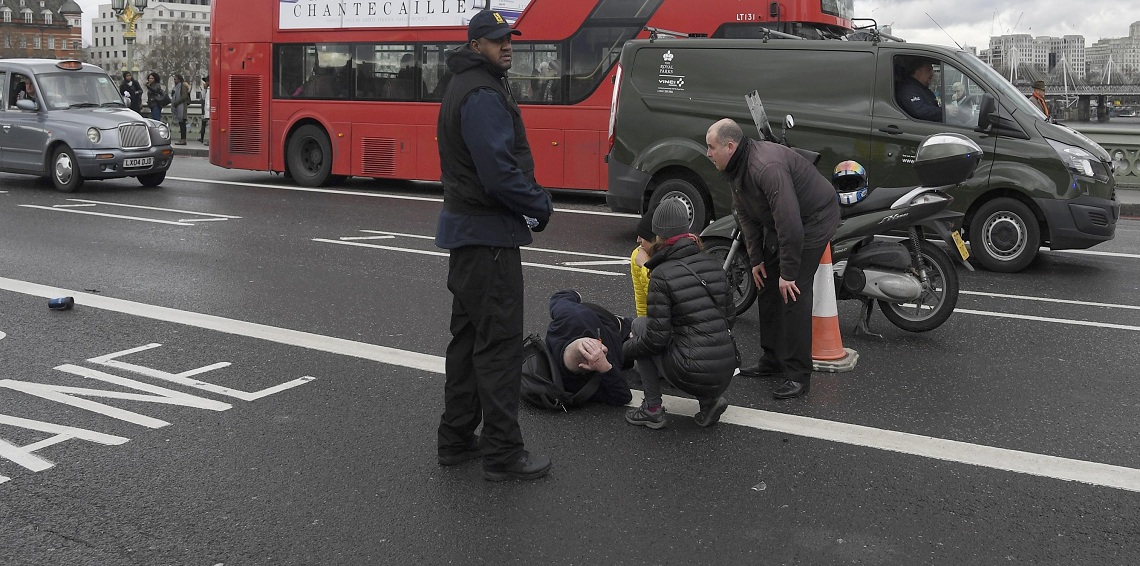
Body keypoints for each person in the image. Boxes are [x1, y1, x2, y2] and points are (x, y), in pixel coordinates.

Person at [434, 9, 554, 482]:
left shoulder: (464, 85)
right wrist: (540, 204)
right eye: (498, 40)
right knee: (500, 346)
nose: (508, 46)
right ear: (476, 44)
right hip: (490, 241)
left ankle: (456, 438)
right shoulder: (482, 93)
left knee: (466, 343)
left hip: (467, 238)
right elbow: (499, 173)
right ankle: (504, 454)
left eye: (510, 39)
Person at [706, 118, 840, 400]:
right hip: (780, 222)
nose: (708, 153)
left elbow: (791, 225)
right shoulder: (736, 167)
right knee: (766, 281)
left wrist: (789, 273)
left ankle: (798, 374)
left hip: (813, 219)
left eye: (711, 147)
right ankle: (773, 359)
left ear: (729, 147)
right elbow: (745, 215)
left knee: (793, 293)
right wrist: (756, 260)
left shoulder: (765, 168)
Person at [622, 198, 737, 429]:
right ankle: (709, 401)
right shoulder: (713, 263)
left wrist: (626, 350)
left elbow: (656, 338)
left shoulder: (661, 274)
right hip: (726, 367)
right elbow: (729, 318)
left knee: (639, 329)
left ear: (658, 235)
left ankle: (652, 409)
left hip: (691, 370)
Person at [543, 290, 633, 407]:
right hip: (626, 343)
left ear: (585, 339)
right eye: (602, 354)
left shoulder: (571, 316)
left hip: (612, 322)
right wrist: (606, 368)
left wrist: (575, 294)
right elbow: (623, 396)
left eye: (599, 344)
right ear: (588, 365)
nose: (605, 349)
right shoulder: (576, 384)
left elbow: (559, 297)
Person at [630, 207, 654, 317]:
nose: (638, 240)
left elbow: (661, 298)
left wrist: (646, 266)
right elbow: (642, 303)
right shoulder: (637, 255)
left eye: (642, 236)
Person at [171, 74, 191, 145]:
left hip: (182, 108)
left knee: (182, 124)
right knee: (181, 123)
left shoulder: (182, 86)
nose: (174, 81)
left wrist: (176, 102)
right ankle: (182, 139)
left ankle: (183, 139)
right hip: (179, 107)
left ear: (179, 80)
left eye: (175, 79)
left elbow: (184, 97)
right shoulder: (176, 87)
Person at [199, 75, 210, 146]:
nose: (205, 83)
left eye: (206, 81)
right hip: (206, 111)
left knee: (210, 127)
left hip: (209, 111)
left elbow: (209, 101)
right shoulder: (207, 89)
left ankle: (210, 141)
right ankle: (203, 138)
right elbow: (203, 97)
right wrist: (204, 89)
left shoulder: (211, 89)